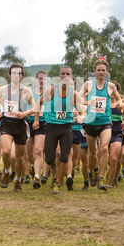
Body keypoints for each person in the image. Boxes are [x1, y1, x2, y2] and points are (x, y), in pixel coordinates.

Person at [79, 59, 124, 191]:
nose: (101, 72)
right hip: (91, 122)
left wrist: (120, 103)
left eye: (103, 70)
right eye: (98, 70)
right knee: (92, 153)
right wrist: (88, 102)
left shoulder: (110, 86)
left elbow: (119, 99)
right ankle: (95, 171)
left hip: (106, 122)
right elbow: (78, 99)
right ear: (94, 71)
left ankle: (101, 179)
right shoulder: (88, 85)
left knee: (103, 148)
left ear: (106, 72)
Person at [33, 66, 86, 194]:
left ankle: (57, 184)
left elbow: (82, 109)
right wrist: (35, 120)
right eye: (63, 74)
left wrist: (81, 116)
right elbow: (38, 103)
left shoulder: (73, 94)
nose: (65, 76)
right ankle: (54, 171)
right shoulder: (51, 91)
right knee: (50, 159)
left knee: (64, 157)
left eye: (68, 73)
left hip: (66, 128)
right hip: (51, 127)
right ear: (59, 76)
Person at [0, 63, 34, 192]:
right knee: (5, 151)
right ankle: (6, 171)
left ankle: (18, 180)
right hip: (6, 122)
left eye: (19, 73)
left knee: (19, 157)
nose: (16, 75)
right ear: (10, 74)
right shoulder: (3, 89)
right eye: (14, 73)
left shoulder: (26, 91)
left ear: (22, 76)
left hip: (20, 124)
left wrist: (25, 113)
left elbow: (34, 107)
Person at [25, 70, 47, 189]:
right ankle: (33, 167)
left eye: (44, 79)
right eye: (40, 79)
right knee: (29, 154)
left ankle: (37, 177)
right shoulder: (29, 92)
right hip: (29, 122)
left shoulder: (49, 93)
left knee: (39, 150)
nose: (42, 81)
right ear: (35, 80)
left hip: (43, 122)